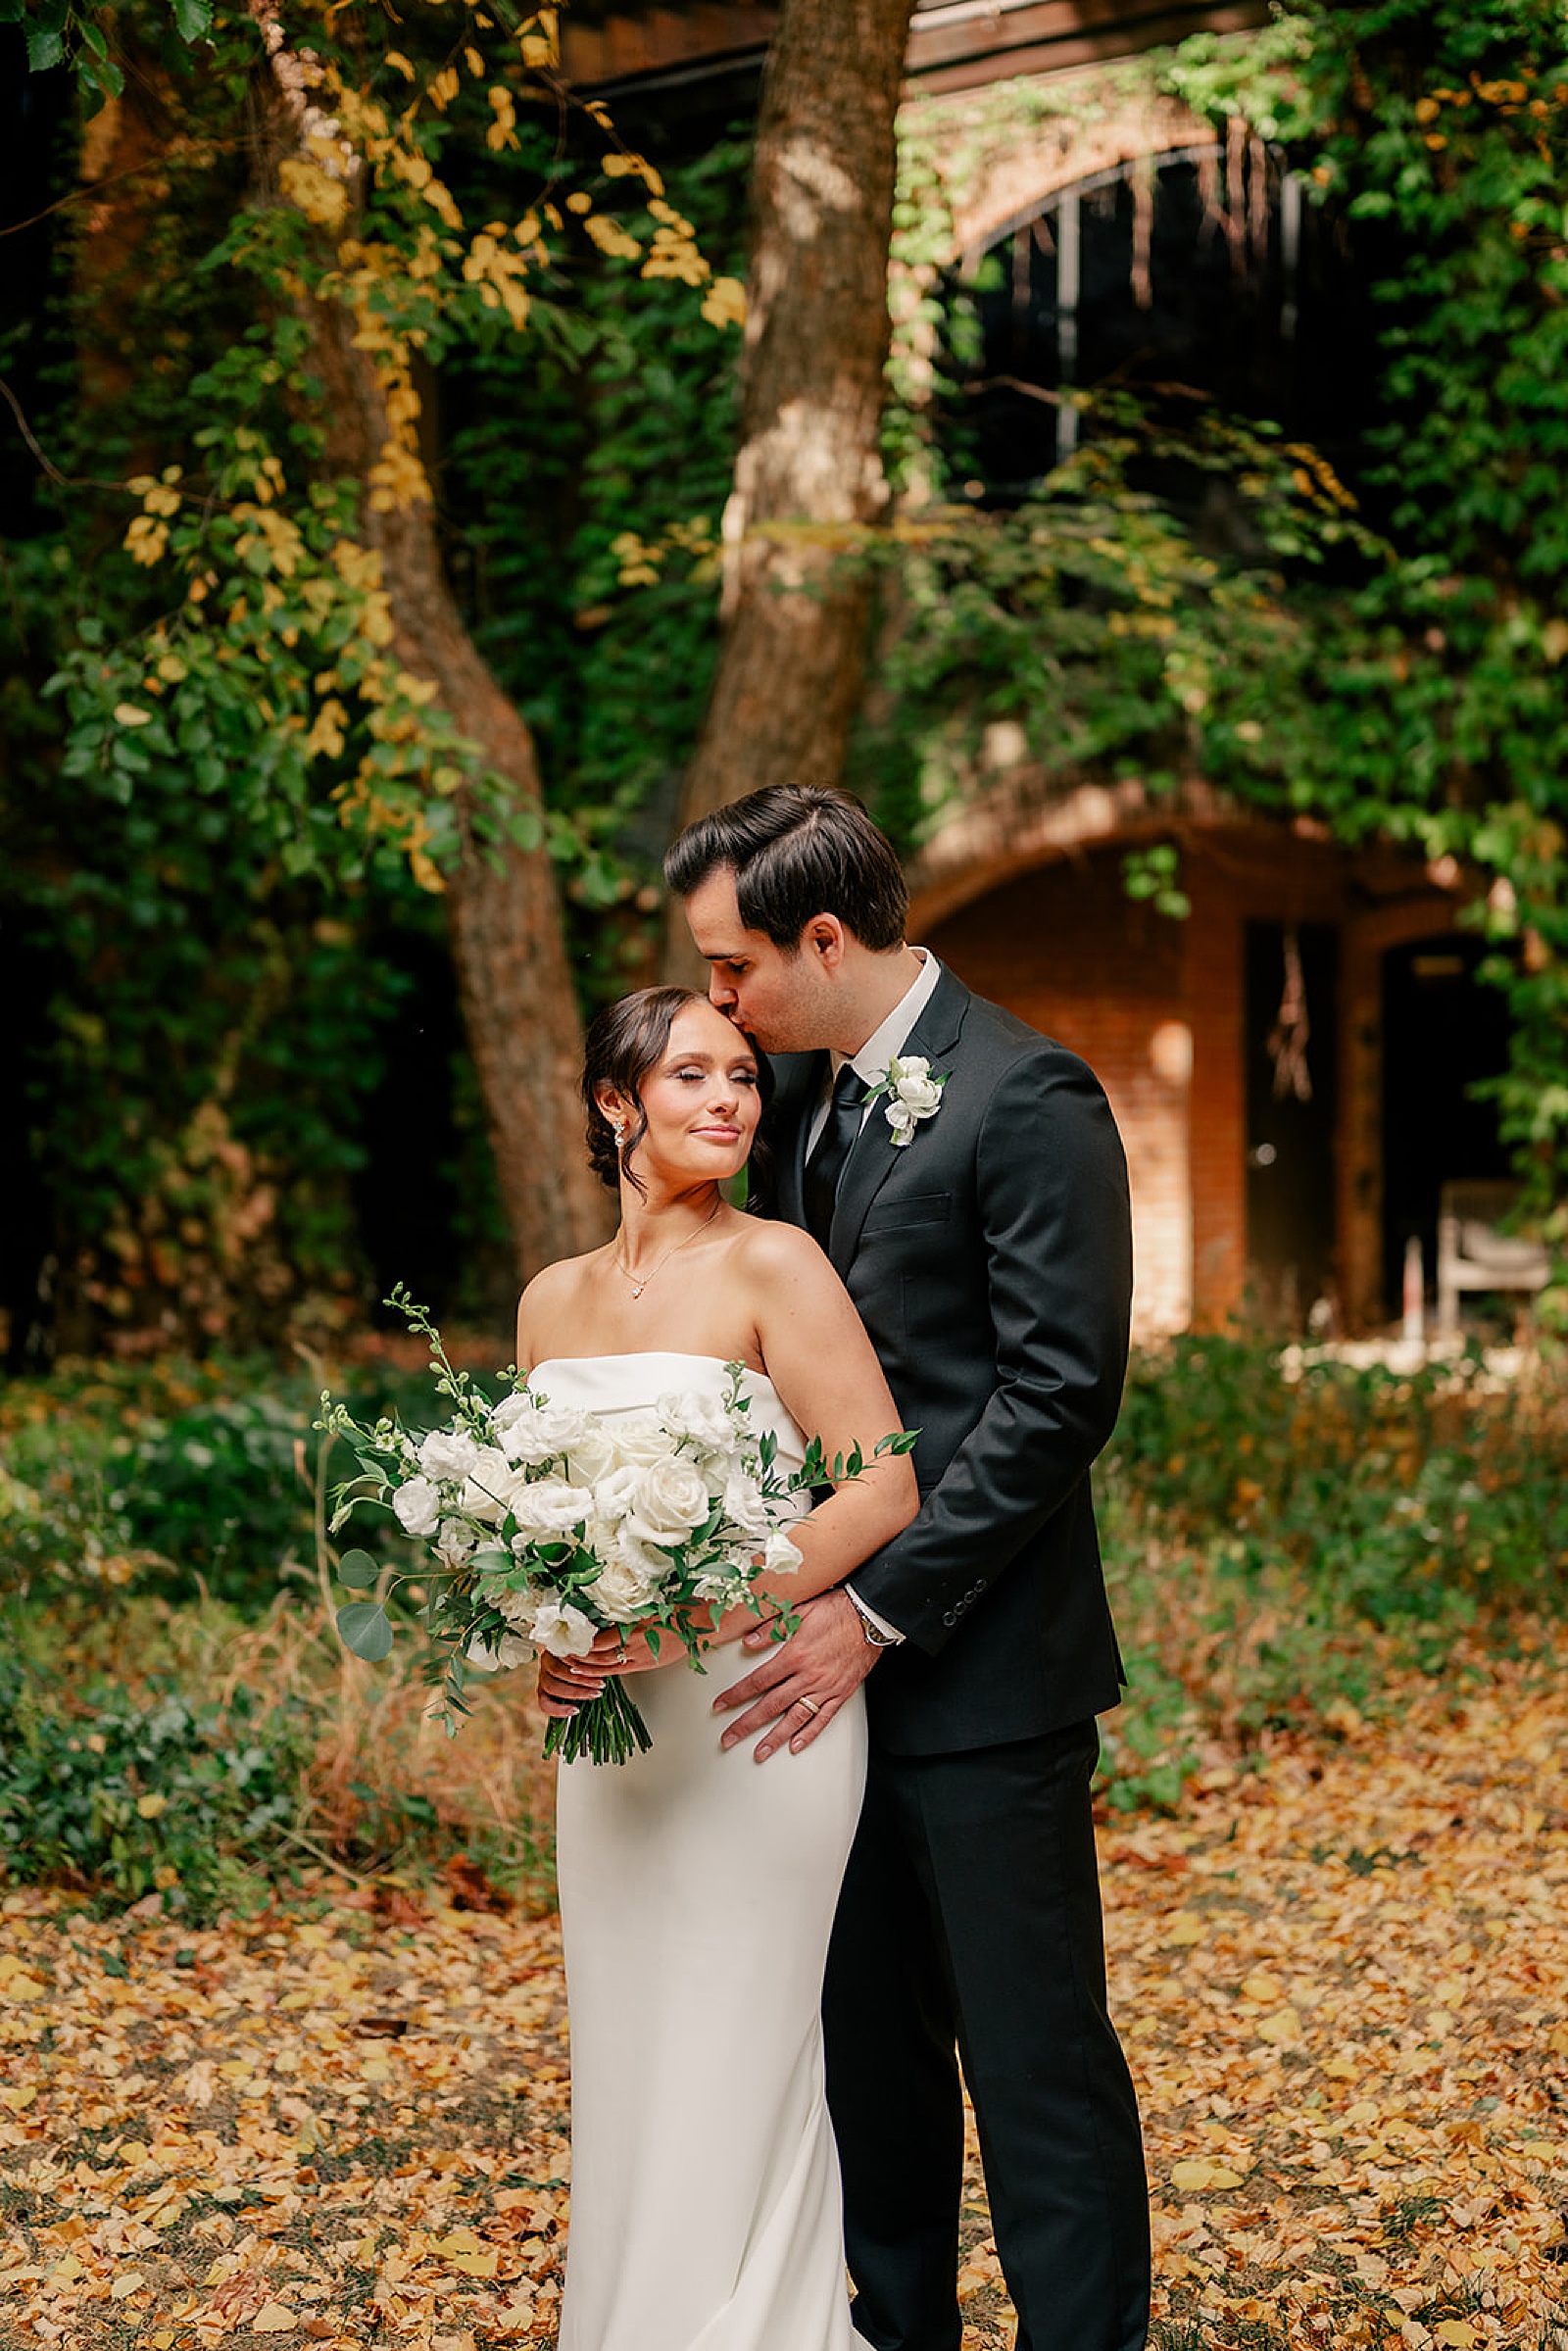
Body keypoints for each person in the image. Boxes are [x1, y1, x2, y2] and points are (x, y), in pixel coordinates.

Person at [659, 784, 1153, 2351]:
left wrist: (876, 1605)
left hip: (984, 1677)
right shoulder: (797, 1105)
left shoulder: (1029, 1096)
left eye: (733, 971)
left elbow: (1058, 1394)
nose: (719, 1007)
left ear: (822, 937)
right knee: (865, 2063)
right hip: (814, 1695)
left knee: (1033, 2066)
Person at [520, 983, 919, 2351]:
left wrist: (702, 1612)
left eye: (744, 1076)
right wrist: (549, 1640)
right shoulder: (547, 1302)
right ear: (615, 1104)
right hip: (612, 1744)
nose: (730, 1100)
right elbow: (536, 1538)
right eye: (691, 1075)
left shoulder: (777, 1267)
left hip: (759, 1714)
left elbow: (878, 1490)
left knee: (742, 2044)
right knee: (629, 2048)